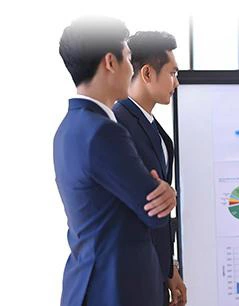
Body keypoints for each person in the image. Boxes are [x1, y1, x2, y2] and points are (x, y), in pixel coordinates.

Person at [55, 16, 177, 306]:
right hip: (117, 289)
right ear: (110, 62)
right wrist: (168, 194)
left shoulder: (69, 127)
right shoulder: (105, 132)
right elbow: (154, 212)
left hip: (88, 283)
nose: (131, 69)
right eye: (128, 58)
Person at [113, 31, 186, 306]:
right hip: (131, 276)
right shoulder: (118, 125)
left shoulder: (154, 128)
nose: (176, 83)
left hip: (154, 271)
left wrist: (170, 269)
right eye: (171, 73)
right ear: (146, 73)